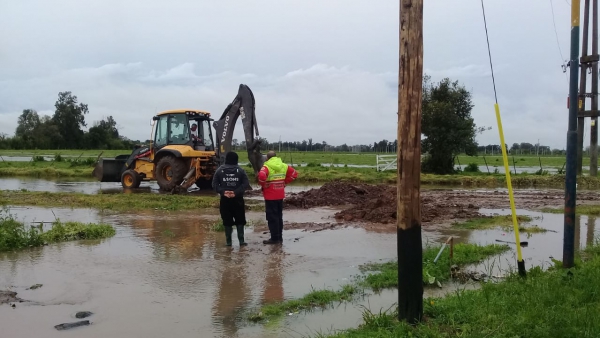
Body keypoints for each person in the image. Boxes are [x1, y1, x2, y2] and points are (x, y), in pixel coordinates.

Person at [257, 150, 298, 244]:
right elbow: (294, 174)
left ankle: (274, 239)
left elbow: (261, 176)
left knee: (272, 217)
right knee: (279, 216)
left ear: (267, 158)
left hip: (270, 196)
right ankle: (279, 237)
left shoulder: (266, 166)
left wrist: (264, 184)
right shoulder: (284, 165)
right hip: (280, 195)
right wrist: (285, 182)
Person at [212, 151, 250, 246]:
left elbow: (214, 185)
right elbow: (245, 184)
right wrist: (235, 192)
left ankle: (228, 242)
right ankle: (241, 241)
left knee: (227, 220)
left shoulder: (219, 170)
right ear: (236, 160)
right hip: (238, 200)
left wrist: (223, 192)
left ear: (226, 159)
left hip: (225, 200)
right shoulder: (241, 170)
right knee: (240, 220)